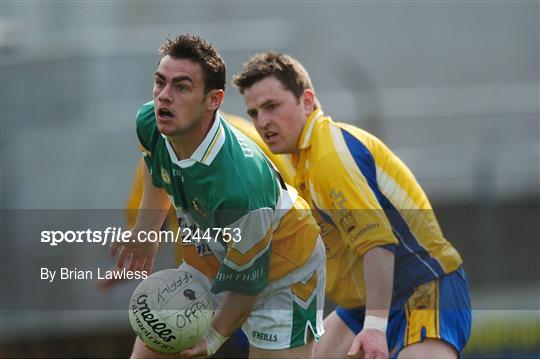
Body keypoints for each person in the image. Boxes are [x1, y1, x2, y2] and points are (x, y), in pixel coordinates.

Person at [233, 52, 472, 359]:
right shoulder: (299, 161)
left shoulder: (329, 156)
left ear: (307, 102)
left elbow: (377, 244)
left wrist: (374, 326)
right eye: (254, 113)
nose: (263, 121)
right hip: (365, 304)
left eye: (272, 106)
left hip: (424, 288)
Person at [110, 35, 326, 358]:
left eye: (181, 87)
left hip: (285, 274)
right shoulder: (151, 122)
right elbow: (156, 166)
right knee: (150, 341)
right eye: (160, 83)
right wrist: (145, 230)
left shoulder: (240, 187)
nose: (164, 97)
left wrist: (212, 339)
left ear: (214, 99)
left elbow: (246, 286)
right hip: (212, 256)